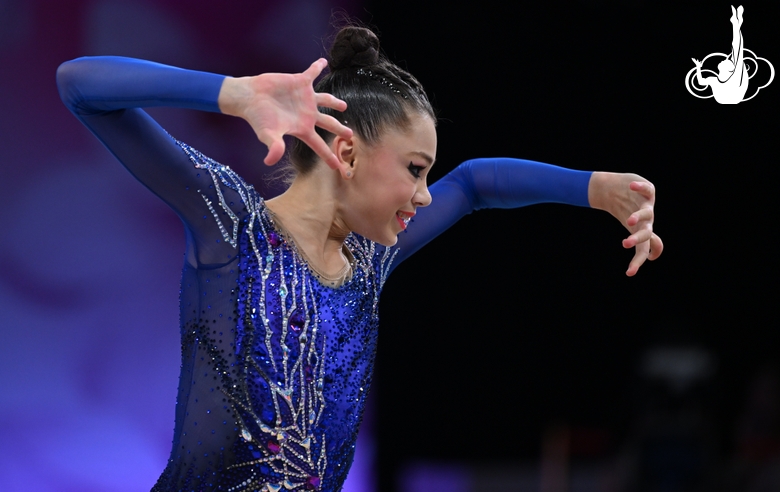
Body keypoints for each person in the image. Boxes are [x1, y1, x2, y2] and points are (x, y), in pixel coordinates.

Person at [57, 25, 661, 492]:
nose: (426, 195)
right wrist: (232, 93)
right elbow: (80, 84)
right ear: (345, 150)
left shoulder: (368, 265)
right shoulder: (235, 226)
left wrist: (596, 188)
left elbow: (477, 183)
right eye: (415, 170)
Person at [692, 5, 748, 104]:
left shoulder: (725, 78)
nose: (724, 59)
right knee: (737, 52)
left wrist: (698, 67)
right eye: (728, 60)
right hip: (731, 97)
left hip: (732, 96)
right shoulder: (717, 79)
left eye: (726, 61)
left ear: (729, 69)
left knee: (737, 51)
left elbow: (738, 50)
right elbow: (700, 82)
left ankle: (736, 24)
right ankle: (736, 24)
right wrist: (698, 67)